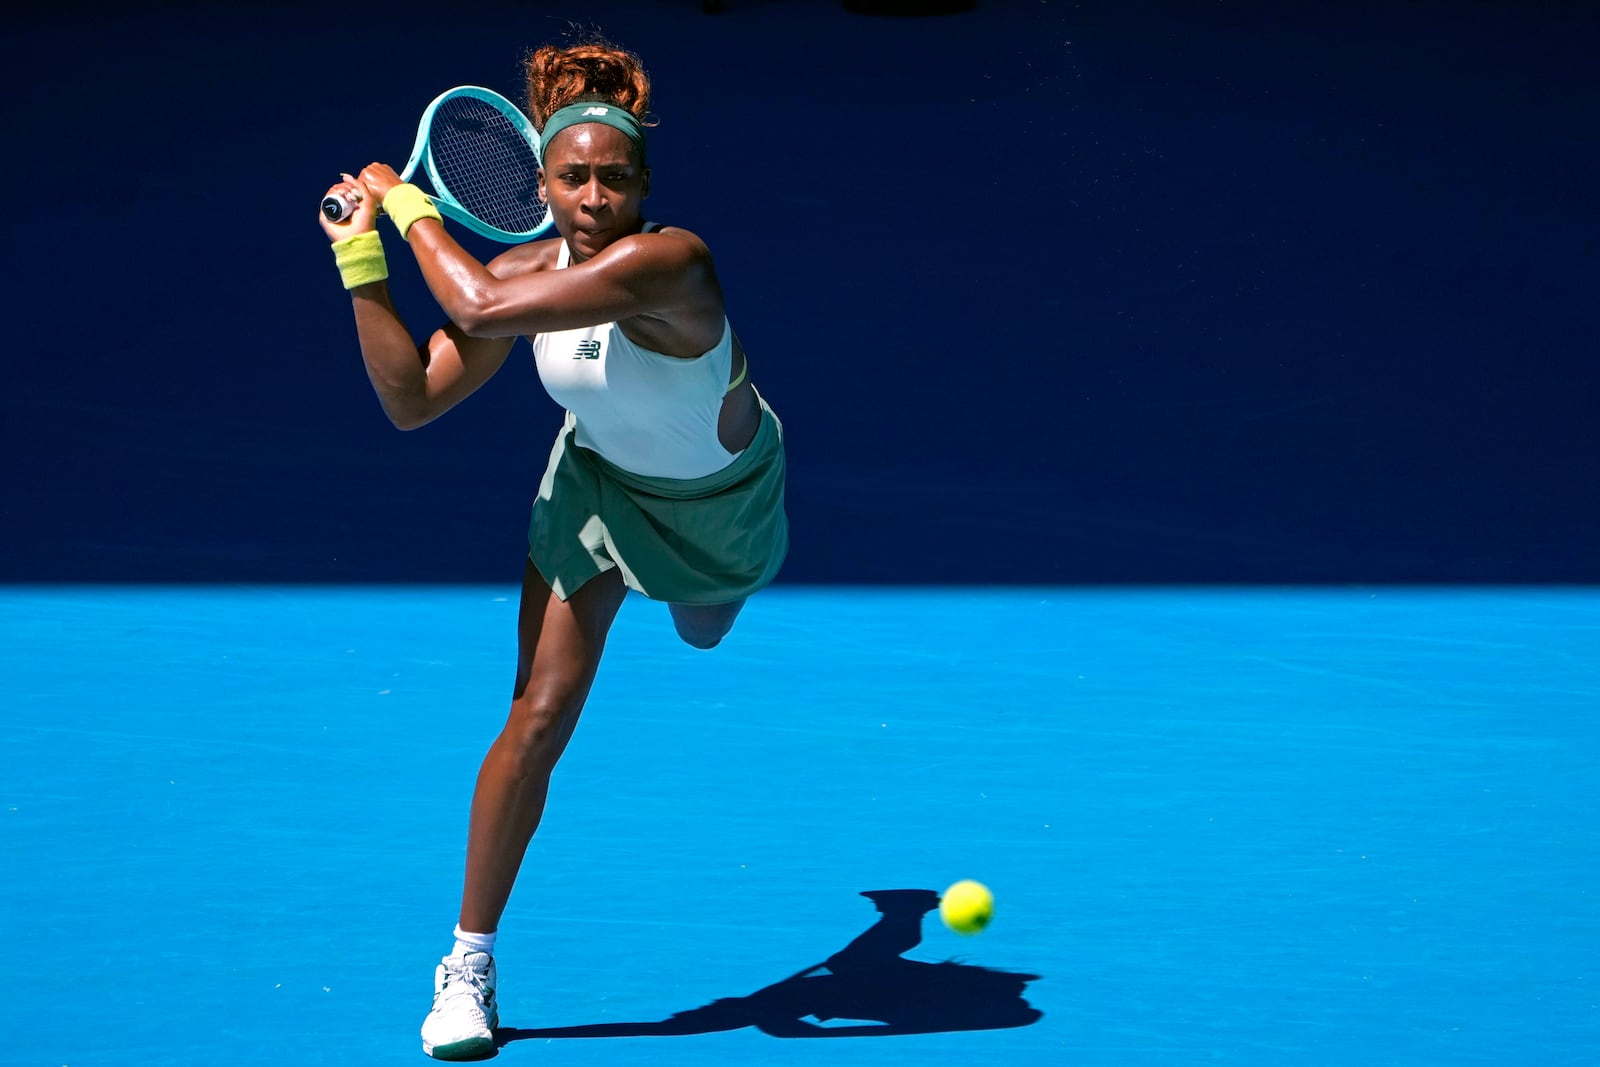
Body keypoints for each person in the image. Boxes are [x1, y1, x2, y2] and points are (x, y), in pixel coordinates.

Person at [316, 34, 789, 1061]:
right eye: (571, 177)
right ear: (541, 184)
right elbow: (413, 399)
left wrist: (407, 207)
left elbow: (476, 304)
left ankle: (704, 595)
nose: (591, 195)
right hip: (595, 486)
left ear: (643, 184)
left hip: (721, 505)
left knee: (703, 627)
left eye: (613, 177)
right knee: (535, 712)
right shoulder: (527, 267)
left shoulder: (672, 263)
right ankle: (468, 963)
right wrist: (362, 262)